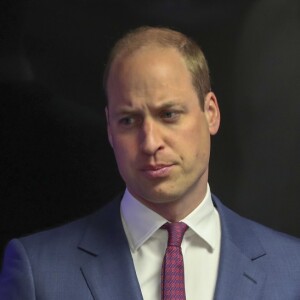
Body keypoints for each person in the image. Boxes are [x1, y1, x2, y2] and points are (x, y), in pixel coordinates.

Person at [0, 26, 299, 300]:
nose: (150, 142)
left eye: (169, 114)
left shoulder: (292, 269)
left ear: (211, 113)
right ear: (109, 128)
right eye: (128, 120)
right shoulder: (37, 272)